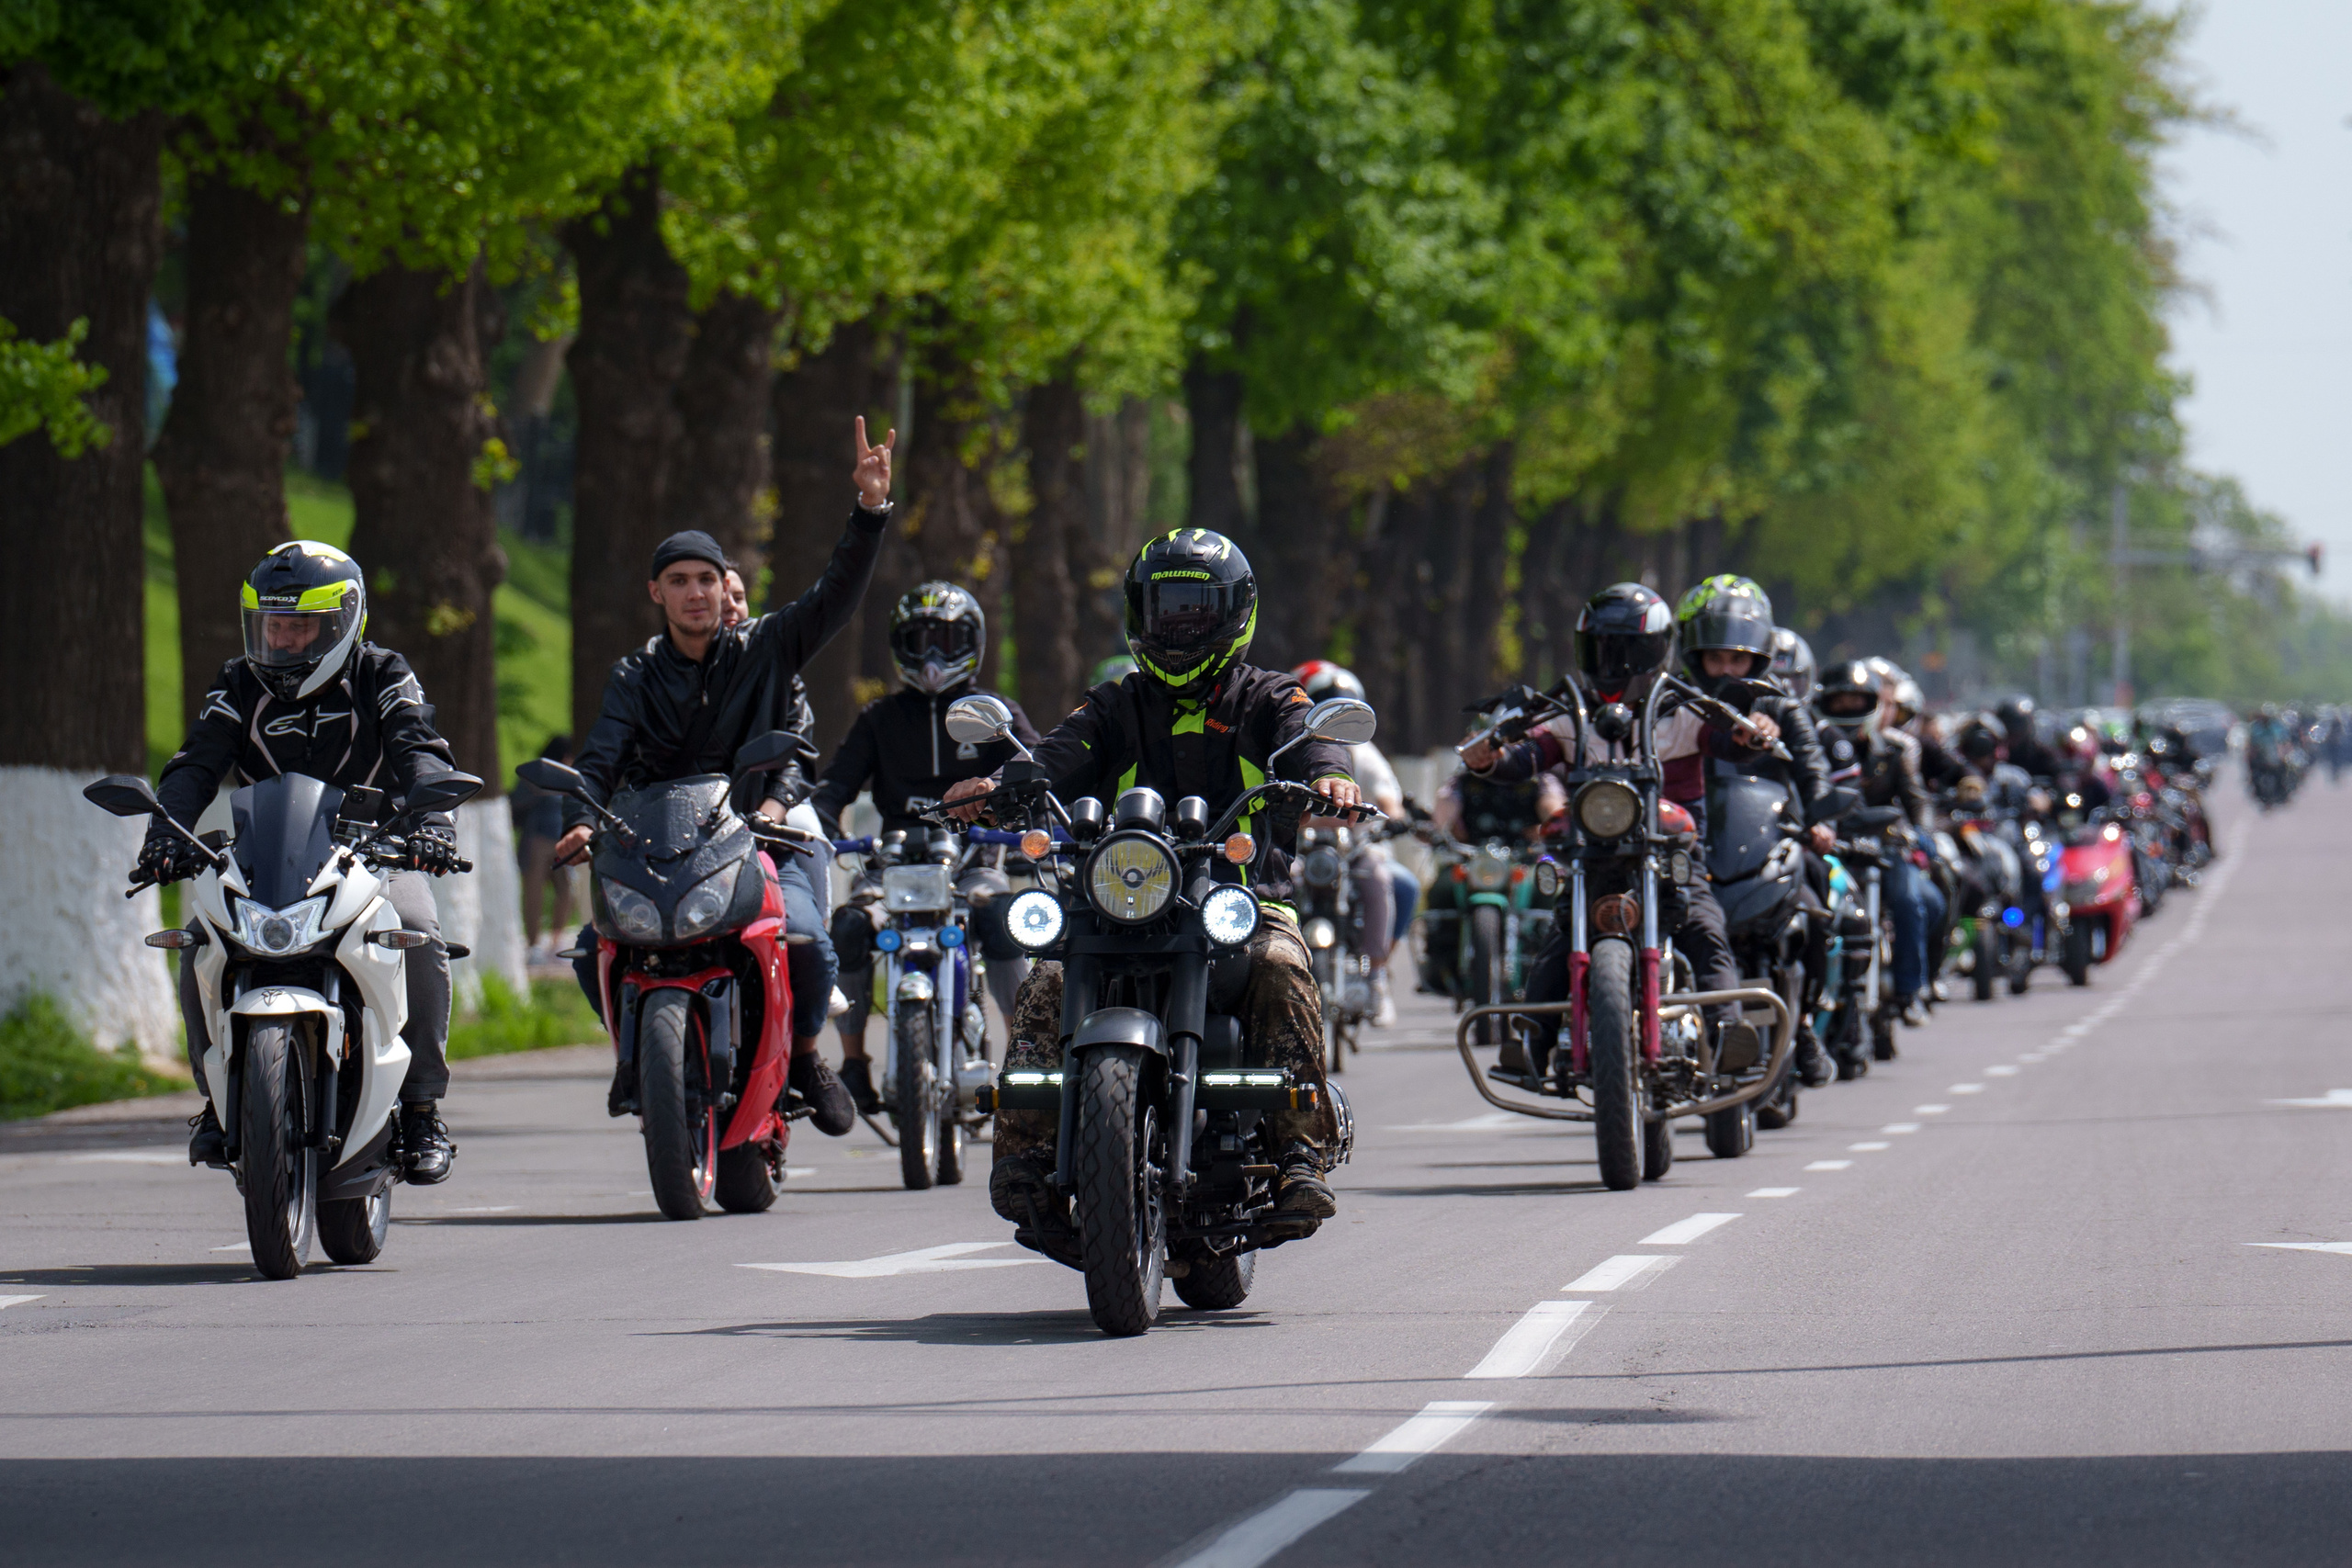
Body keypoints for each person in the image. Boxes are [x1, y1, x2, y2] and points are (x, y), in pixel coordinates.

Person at [945, 528, 1363, 1238]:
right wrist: (999, 785)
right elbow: (1053, 756)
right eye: (1166, 606)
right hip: (1122, 903)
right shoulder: (1115, 703)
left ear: (1233, 612)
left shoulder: (1267, 694)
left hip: (1238, 903)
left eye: (1196, 608)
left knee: (1281, 964)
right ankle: (1022, 1156)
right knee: (1047, 977)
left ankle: (1299, 1152)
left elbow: (1306, 733)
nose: (1180, 623)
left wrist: (1330, 773)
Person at [555, 418, 898, 1137]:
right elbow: (600, 756)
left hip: (756, 841)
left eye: (706, 580)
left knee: (806, 937)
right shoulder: (634, 675)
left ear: (723, 587)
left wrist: (867, 514)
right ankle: (638, 1057)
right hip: (655, 854)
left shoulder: (766, 649)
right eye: (678, 581)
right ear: (657, 592)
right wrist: (583, 819)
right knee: (593, 951)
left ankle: (805, 1056)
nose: (695, 593)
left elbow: (834, 598)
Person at [143, 541, 465, 1179]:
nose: (283, 641)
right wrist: (164, 831)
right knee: (199, 937)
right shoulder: (238, 682)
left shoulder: (385, 673)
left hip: (377, 851)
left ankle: (423, 1107)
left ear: (343, 622)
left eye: (299, 627)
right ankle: (217, 1097)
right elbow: (195, 762)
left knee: (420, 931)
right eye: (273, 626)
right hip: (266, 859)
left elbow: (420, 747)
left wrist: (432, 822)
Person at [1462, 581, 1782, 1078]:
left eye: (1628, 647)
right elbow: (1524, 758)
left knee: (1703, 924)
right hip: (1592, 858)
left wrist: (1753, 731)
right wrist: (1489, 758)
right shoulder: (1569, 711)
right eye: (1604, 647)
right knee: (1562, 932)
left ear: (1655, 649)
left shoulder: (1682, 707)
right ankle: (1532, 1040)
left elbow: (1732, 742)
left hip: (1672, 854)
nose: (1616, 660)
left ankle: (1728, 1031)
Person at [810, 581, 1041, 1111]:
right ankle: (852, 1062)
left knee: (1002, 915)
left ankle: (1023, 1054)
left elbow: (1038, 768)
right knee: (848, 924)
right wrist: (814, 822)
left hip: (973, 864)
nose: (933, 656)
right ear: (900, 646)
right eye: (920, 641)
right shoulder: (880, 719)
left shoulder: (996, 711)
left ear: (973, 643)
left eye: (948, 639)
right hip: (892, 869)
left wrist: (1022, 815)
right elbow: (834, 788)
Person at [1676, 577, 1838, 1086]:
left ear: (1759, 659)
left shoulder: (1782, 708)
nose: (1726, 670)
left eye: (1738, 660)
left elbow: (1814, 772)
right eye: (1716, 658)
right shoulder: (1674, 706)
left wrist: (1821, 820)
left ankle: (1805, 1021)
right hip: (1691, 843)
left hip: (1771, 841)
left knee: (1817, 905)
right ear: (1694, 656)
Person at [1813, 660, 1944, 1026]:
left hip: (1885, 847)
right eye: (1839, 703)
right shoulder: (1814, 745)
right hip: (1832, 846)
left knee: (1908, 901)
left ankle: (1908, 990)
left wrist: (1919, 833)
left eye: (1857, 702)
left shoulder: (1895, 750)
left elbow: (1917, 802)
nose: (1849, 710)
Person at [1293, 659, 1414, 1025]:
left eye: (1343, 708)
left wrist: (1391, 819)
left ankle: (1376, 975)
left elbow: (1390, 803)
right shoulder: (1289, 752)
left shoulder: (1365, 755)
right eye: (1323, 706)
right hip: (1301, 852)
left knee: (1381, 879)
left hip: (1354, 850)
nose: (1334, 719)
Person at [513, 735, 579, 961]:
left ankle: (556, 941)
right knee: (534, 894)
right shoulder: (537, 774)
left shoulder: (570, 778)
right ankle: (533, 944)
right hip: (538, 841)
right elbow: (517, 802)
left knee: (567, 892)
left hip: (562, 843)